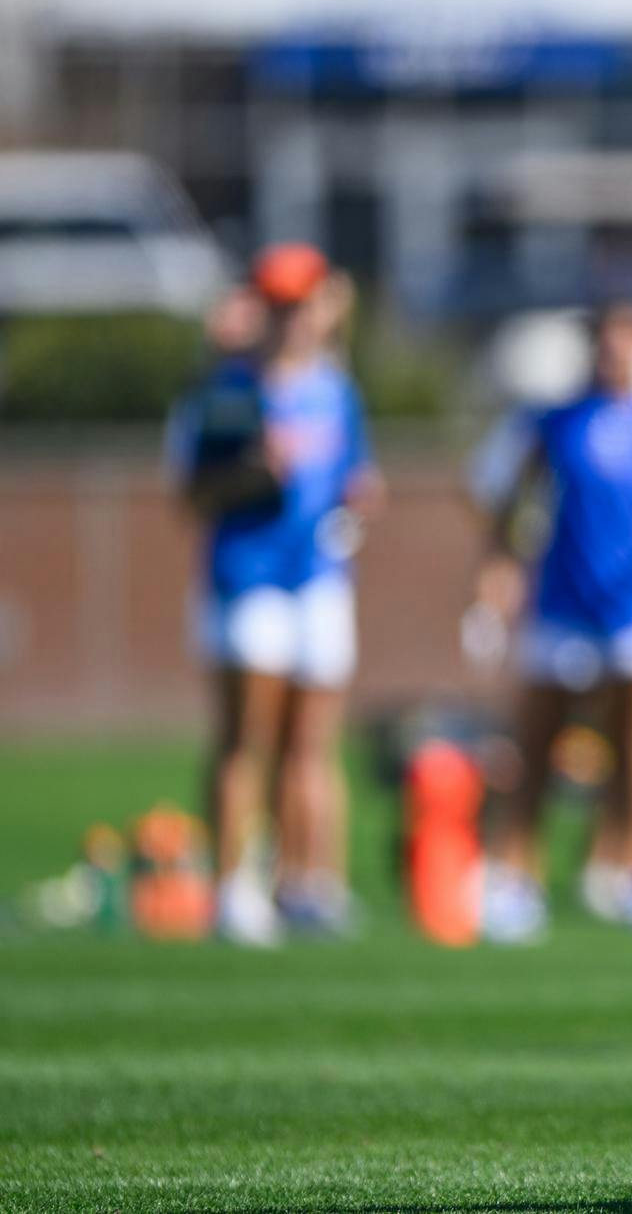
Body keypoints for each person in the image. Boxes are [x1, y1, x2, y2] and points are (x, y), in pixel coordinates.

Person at [474, 300, 632, 943]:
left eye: (628, 336)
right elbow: (504, 497)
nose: (616, 349)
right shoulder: (552, 420)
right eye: (605, 337)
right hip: (565, 599)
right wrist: (499, 569)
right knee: (538, 742)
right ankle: (514, 876)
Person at [170, 244, 382, 945]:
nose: (293, 318)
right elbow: (195, 496)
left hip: (318, 580)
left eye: (304, 303)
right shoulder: (230, 392)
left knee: (312, 743)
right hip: (248, 578)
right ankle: (234, 886)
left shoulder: (336, 390)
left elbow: (354, 481)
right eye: (281, 304)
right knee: (246, 740)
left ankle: (310, 881)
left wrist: (360, 500)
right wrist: (255, 473)